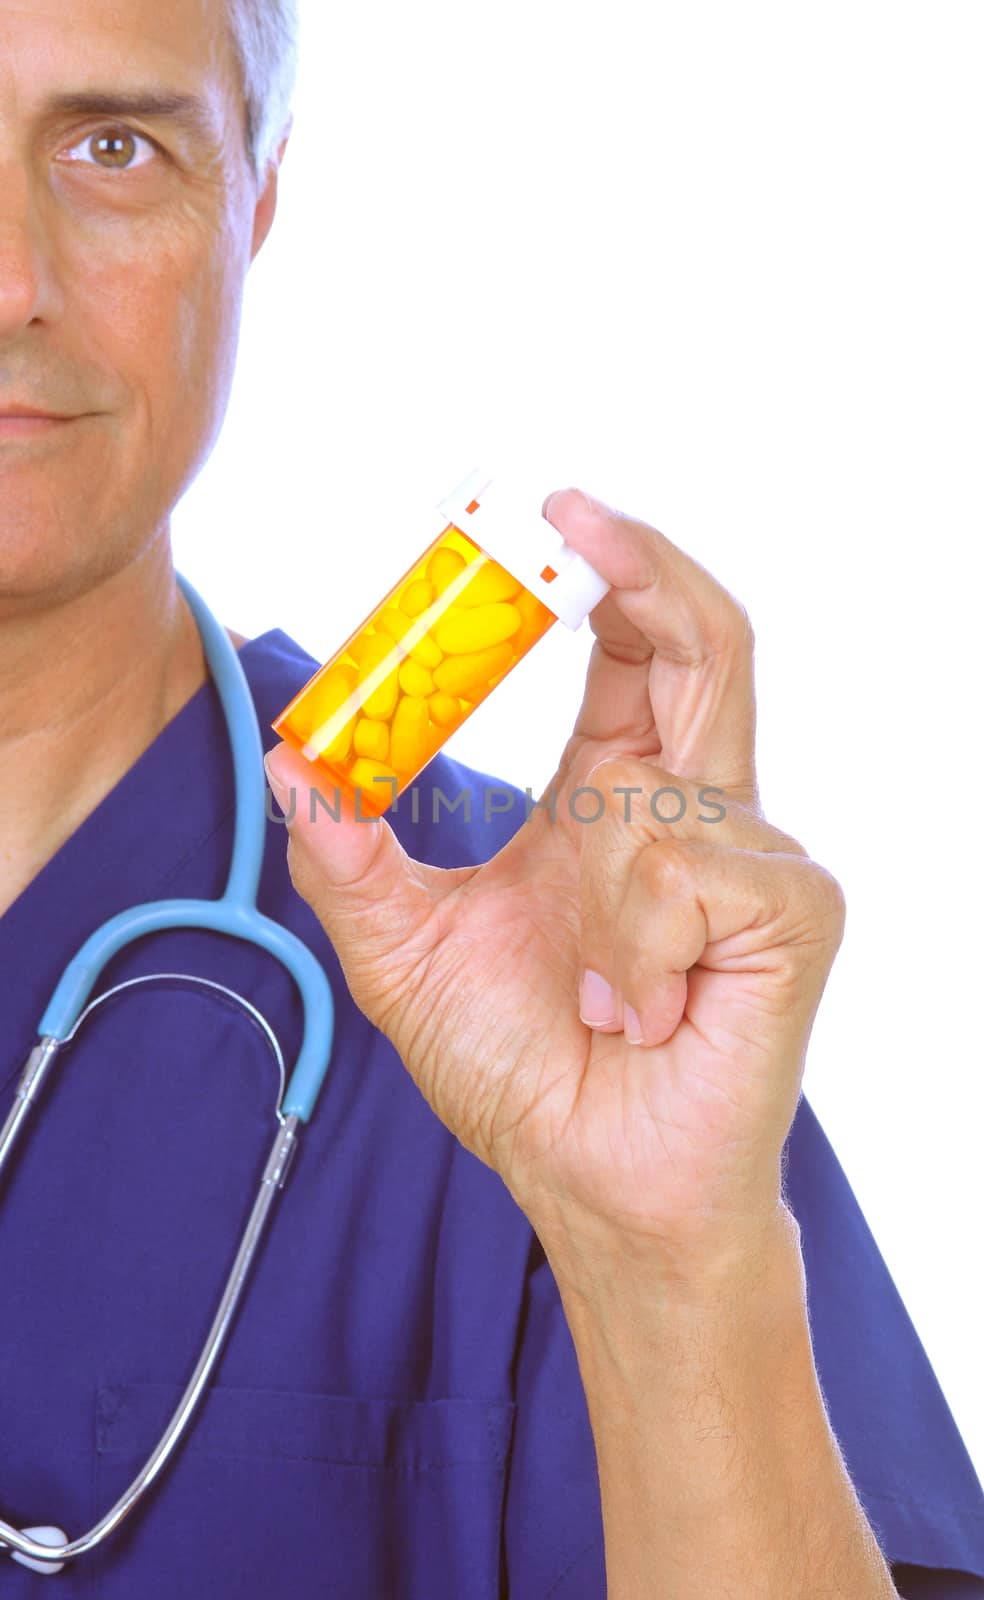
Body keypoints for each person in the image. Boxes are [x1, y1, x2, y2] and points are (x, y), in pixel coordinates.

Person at [1, 0, 982, 1594]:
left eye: (116, 146)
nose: (12, 281)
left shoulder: (553, 969)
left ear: (254, 203)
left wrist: (665, 1269)